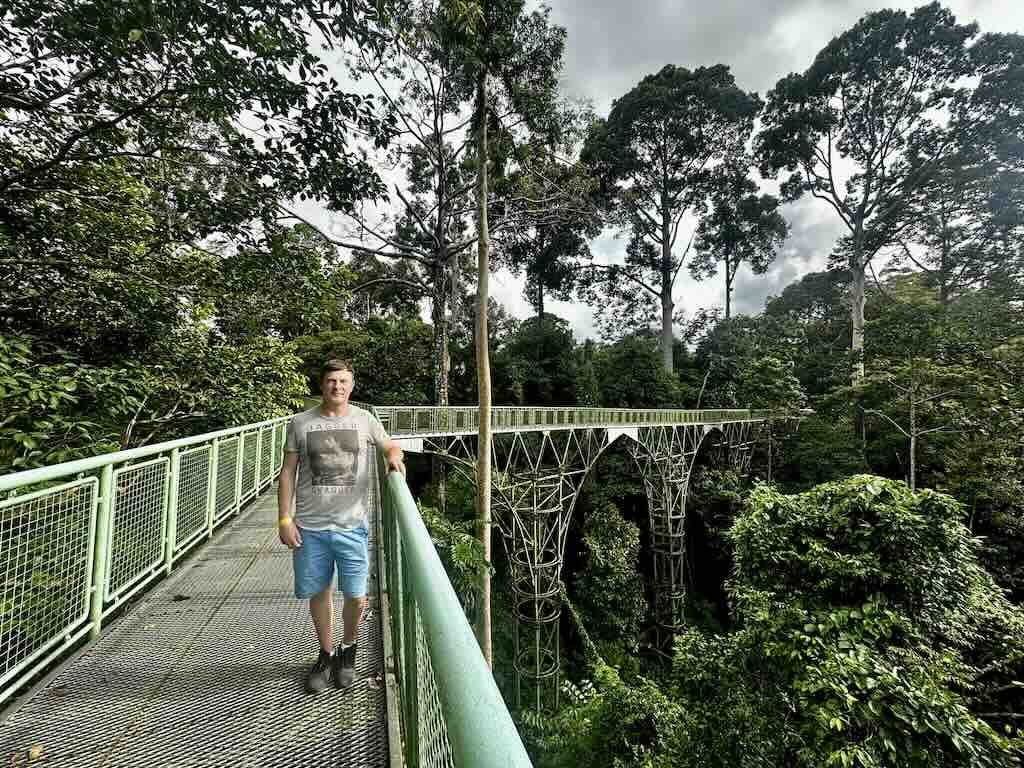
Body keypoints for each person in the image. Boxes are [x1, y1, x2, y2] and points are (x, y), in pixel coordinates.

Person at [277, 358, 404, 693]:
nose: (337, 387)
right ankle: (325, 654)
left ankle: (349, 650)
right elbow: (287, 471)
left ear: (352, 385)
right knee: (319, 593)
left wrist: (393, 457)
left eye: (343, 381)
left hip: (352, 526)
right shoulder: (300, 422)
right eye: (332, 381)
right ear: (323, 384)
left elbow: (390, 443)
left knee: (357, 597)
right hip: (310, 527)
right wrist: (284, 518)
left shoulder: (364, 420)